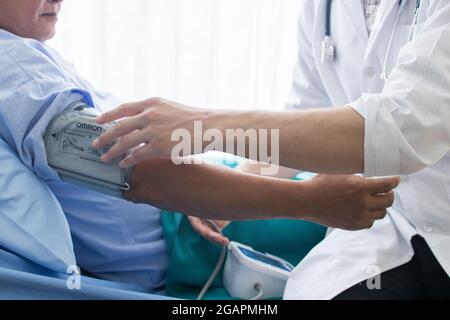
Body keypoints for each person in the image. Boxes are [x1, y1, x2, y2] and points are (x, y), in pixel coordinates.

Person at [0, 0, 399, 292]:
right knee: (386, 239)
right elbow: (136, 173)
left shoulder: (30, 54)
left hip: (196, 207)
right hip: (184, 231)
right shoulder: (13, 66)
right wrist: (310, 202)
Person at [93, 0, 450, 299]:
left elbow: (394, 130)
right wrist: (231, 188)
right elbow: (306, 116)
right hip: (388, 226)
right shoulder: (325, 8)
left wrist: (201, 127)